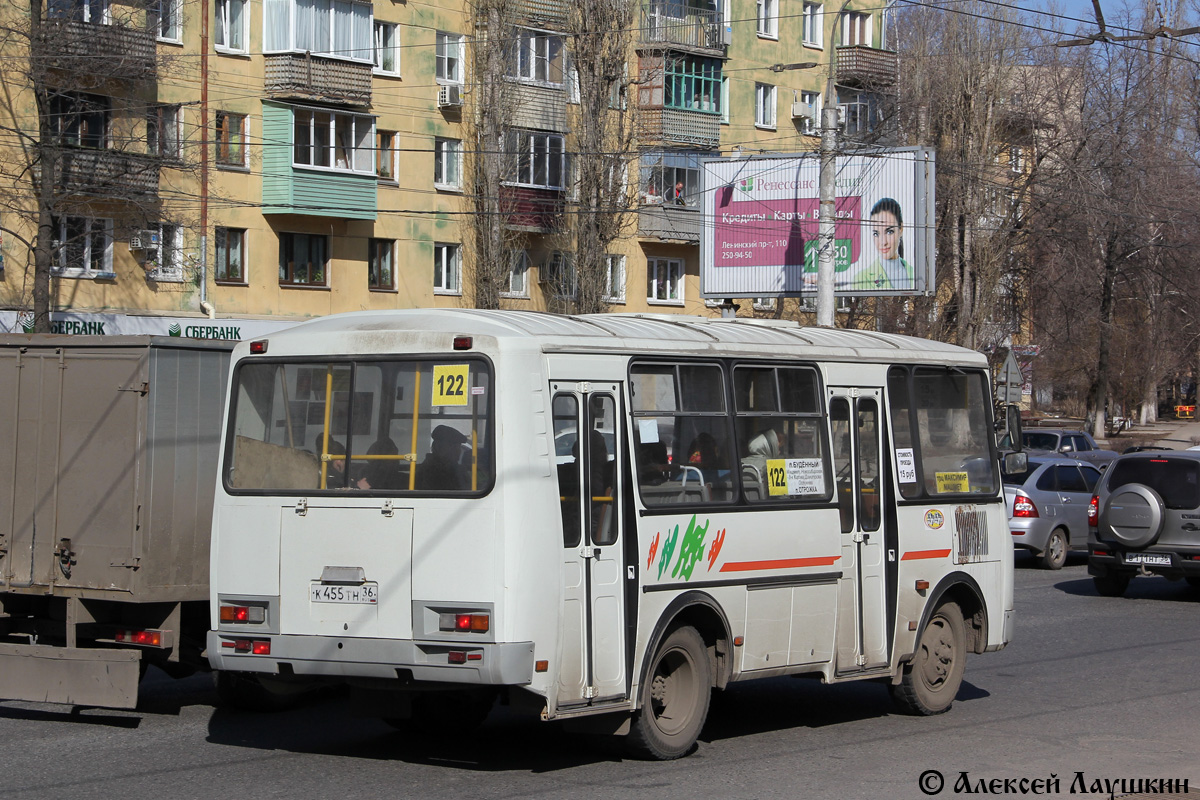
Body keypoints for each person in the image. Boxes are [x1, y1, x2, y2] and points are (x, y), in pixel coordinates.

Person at [845, 197, 914, 291]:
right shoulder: (861, 279)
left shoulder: (915, 274)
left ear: (901, 228)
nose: (883, 242)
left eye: (889, 232)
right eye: (876, 234)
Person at [415, 425, 468, 490]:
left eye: (458, 448)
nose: (458, 452)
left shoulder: (450, 466)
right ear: (439, 448)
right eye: (454, 447)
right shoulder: (434, 469)